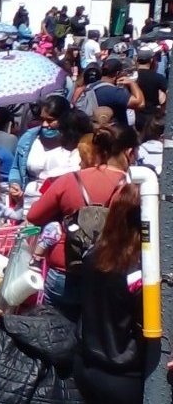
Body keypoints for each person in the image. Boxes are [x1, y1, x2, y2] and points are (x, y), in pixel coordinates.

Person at [74, 183, 143, 404]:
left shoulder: (92, 256)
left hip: (87, 362)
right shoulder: (137, 272)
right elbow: (147, 322)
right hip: (122, 369)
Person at [27, 124, 135, 314]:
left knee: (52, 332)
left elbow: (34, 215)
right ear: (130, 152)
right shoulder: (134, 188)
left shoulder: (70, 179)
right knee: (94, 338)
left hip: (65, 272)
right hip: (108, 276)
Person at [9, 95, 81, 212]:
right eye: (42, 119)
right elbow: (16, 167)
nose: (45, 125)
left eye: (50, 120)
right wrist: (14, 183)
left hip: (61, 209)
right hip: (29, 206)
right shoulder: (29, 138)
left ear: (64, 119)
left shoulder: (78, 144)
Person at [89, 58, 145, 128]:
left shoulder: (91, 85)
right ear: (118, 73)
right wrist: (132, 83)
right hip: (114, 133)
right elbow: (140, 103)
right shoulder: (113, 92)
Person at [133, 46, 167, 130]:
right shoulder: (157, 77)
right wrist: (163, 108)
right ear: (151, 60)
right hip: (152, 117)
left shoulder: (131, 77)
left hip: (135, 117)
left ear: (137, 59)